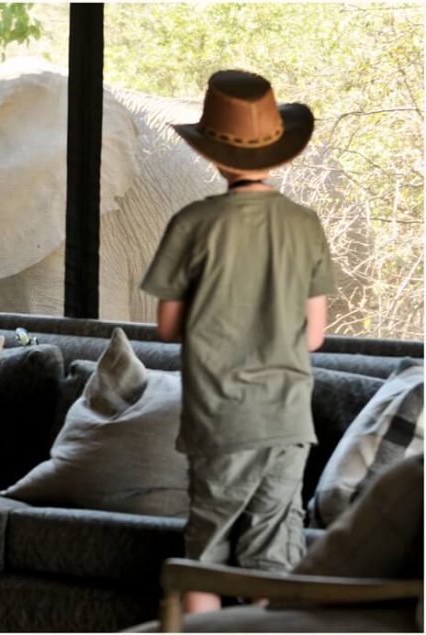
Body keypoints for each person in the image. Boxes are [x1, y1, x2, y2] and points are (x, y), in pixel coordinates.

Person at [140, 70, 336, 614]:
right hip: (288, 417)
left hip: (219, 415)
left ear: (213, 155)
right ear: (279, 153)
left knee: (204, 554)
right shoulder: (305, 224)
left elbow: (167, 328)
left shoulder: (193, 222)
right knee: (274, 557)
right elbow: (314, 335)